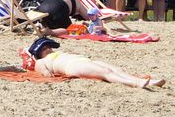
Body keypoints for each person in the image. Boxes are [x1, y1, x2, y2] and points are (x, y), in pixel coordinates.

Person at [22, 37, 165, 88]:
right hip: (72, 66)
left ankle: (146, 82)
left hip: (82, 61)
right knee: (105, 72)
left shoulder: (58, 54)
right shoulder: (41, 61)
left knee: (117, 70)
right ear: (38, 54)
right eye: (44, 48)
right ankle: (135, 83)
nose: (48, 49)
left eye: (48, 46)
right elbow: (46, 74)